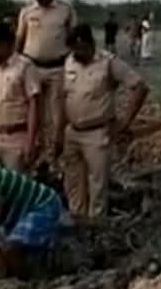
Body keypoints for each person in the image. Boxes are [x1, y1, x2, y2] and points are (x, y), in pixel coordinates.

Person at [55, 25, 148, 219]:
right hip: (72, 131)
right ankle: (76, 220)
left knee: (97, 183)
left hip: (97, 133)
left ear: (91, 44)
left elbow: (139, 87)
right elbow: (63, 98)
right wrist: (59, 132)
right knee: (73, 181)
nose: (77, 54)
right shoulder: (69, 62)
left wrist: (125, 122)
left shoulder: (108, 62)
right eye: (74, 50)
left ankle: (96, 225)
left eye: (81, 49)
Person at [16, 0, 76, 157]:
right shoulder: (27, 11)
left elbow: (74, 39)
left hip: (57, 68)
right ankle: (35, 151)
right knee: (33, 113)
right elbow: (20, 39)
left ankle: (58, 150)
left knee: (58, 113)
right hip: (32, 67)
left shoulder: (65, 10)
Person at [0, 22, 41, 171]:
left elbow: (34, 105)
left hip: (17, 137)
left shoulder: (25, 67)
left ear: (7, 44)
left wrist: (31, 142)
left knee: (15, 186)